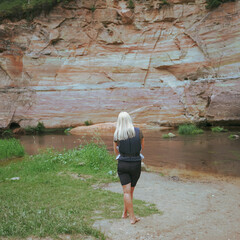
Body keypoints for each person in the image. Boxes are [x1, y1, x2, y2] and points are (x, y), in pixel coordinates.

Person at [113, 111, 144, 224]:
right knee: (130, 192)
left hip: (123, 164)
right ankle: (132, 218)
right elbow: (141, 147)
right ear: (129, 119)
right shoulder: (139, 131)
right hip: (135, 164)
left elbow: (116, 151)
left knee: (126, 192)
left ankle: (125, 213)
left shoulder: (117, 134)